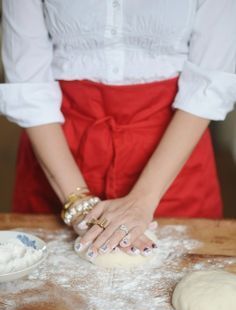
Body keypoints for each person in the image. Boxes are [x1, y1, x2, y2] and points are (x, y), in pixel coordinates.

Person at [0, 0, 236, 260]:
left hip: (173, 153)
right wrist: (78, 204)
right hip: (59, 148)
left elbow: (209, 83)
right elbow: (28, 84)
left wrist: (142, 200)